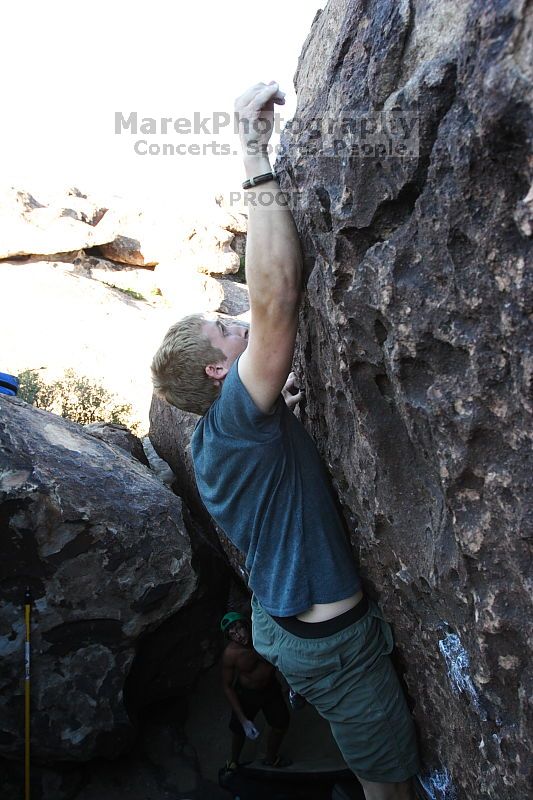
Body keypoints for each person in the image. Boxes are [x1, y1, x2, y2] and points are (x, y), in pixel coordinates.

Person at [151, 81, 420, 800]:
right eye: (226, 331)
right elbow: (276, 301)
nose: (239, 325)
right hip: (331, 643)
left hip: (286, 626)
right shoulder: (238, 418)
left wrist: (284, 415)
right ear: (217, 369)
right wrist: (251, 152)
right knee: (388, 786)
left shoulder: (229, 432)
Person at [220, 611, 291, 770]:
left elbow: (284, 657)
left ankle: (271, 758)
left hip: (270, 688)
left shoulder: (266, 635)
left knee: (281, 724)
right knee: (239, 730)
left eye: (238, 629)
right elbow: (227, 686)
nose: (237, 636)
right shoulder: (231, 655)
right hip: (247, 693)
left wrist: (292, 684)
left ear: (246, 624)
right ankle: (233, 761)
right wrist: (243, 720)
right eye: (232, 634)